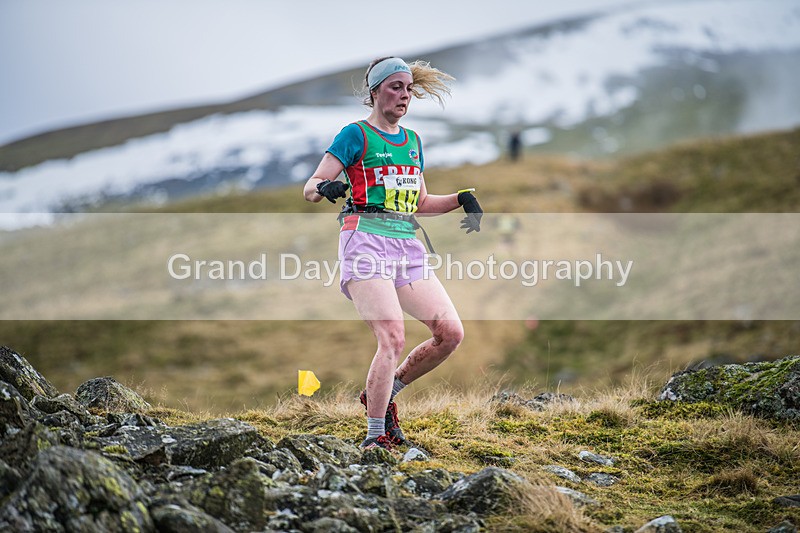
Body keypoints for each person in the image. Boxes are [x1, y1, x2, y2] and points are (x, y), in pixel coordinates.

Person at [302, 57, 483, 450]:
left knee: (450, 333)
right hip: (364, 240)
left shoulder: (413, 141)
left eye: (408, 89)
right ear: (375, 92)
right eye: (395, 87)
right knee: (392, 337)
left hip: (406, 244)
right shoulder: (355, 135)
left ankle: (383, 396)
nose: (404, 95)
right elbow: (311, 187)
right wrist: (325, 188)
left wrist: (461, 199)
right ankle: (374, 437)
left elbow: (420, 203)